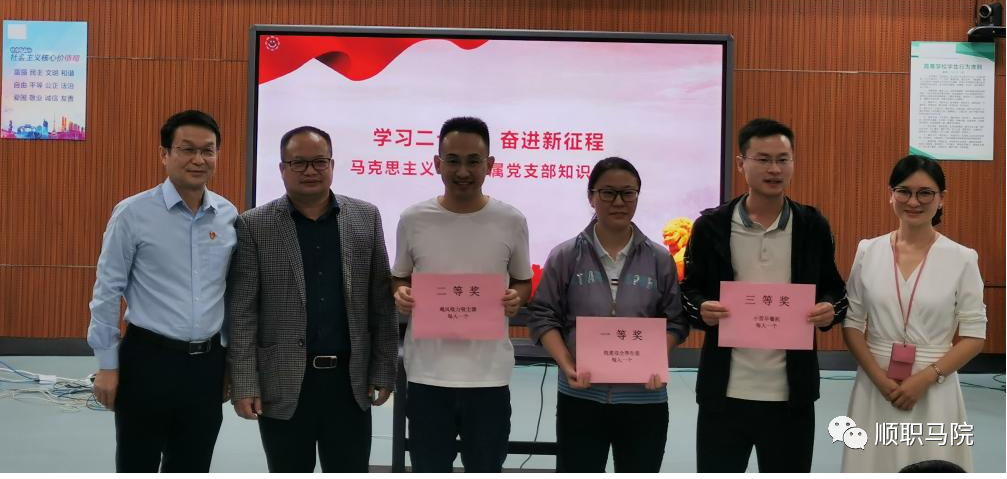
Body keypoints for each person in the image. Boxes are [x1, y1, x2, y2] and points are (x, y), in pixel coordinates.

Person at [227, 126, 399, 473]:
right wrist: (244, 382)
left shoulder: (365, 217)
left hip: (349, 382)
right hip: (283, 380)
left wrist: (384, 368)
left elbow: (382, 304)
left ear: (332, 165)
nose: (310, 171)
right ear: (282, 168)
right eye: (299, 163)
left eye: (319, 162)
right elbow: (243, 313)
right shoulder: (254, 225)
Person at [680, 118, 848, 473]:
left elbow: (835, 288)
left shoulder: (812, 226)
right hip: (724, 393)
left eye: (783, 159)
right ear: (741, 163)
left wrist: (829, 308)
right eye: (763, 159)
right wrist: (701, 308)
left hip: (791, 396)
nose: (774, 169)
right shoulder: (711, 226)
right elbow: (689, 290)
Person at [87, 110, 237, 472]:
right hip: (148, 360)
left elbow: (230, 294)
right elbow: (107, 291)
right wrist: (107, 366)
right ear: (164, 154)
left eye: (208, 150)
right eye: (187, 149)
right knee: (137, 461)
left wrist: (230, 361)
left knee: (193, 462)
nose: (198, 159)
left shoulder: (228, 216)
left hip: (207, 365)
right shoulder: (133, 213)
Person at [527, 157, 688, 473]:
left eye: (628, 193)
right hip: (581, 397)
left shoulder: (659, 259)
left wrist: (656, 359)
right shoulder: (565, 255)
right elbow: (544, 315)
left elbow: (676, 320)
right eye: (608, 193)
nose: (618, 202)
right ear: (591, 196)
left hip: (645, 399)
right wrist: (568, 365)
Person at [391, 116, 533, 473]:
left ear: (490, 164)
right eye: (453, 160)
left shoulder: (511, 220)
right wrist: (401, 292)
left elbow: (522, 281)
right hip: (427, 374)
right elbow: (399, 277)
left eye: (473, 161)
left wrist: (516, 298)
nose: (463, 171)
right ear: (437, 163)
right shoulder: (413, 219)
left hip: (489, 376)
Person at [841, 155, 986, 473]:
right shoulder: (868, 251)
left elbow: (974, 336)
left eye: (925, 193)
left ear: (941, 198)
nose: (913, 201)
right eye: (904, 191)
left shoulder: (962, 258)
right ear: (891, 194)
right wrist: (878, 379)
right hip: (876, 383)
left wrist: (924, 379)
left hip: (934, 384)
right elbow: (852, 323)